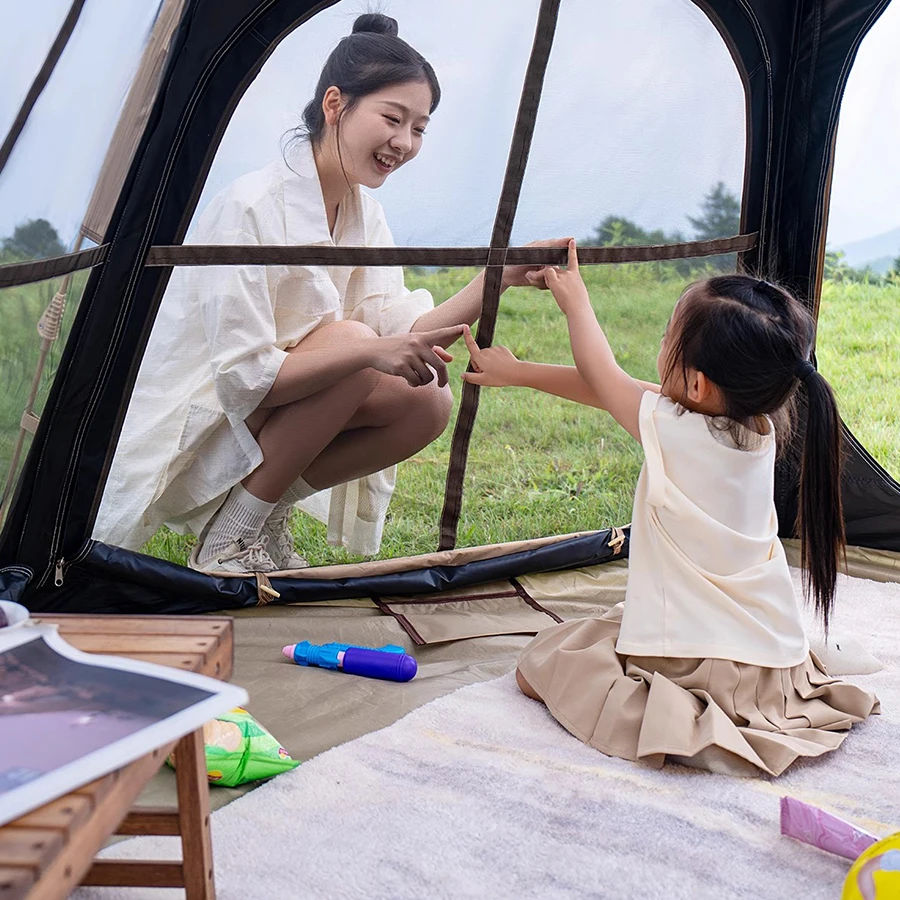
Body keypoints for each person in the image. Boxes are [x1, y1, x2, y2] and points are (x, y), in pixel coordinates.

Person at [94, 14, 562, 573]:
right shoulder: (252, 207)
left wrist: (500, 275)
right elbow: (244, 379)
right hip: (211, 419)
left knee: (427, 399)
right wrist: (366, 351)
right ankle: (226, 541)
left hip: (282, 412)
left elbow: (403, 337)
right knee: (355, 341)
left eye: (419, 128)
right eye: (392, 118)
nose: (404, 143)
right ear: (335, 105)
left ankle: (255, 517)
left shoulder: (365, 214)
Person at [462, 240, 879, 777]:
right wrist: (519, 372)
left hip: (694, 656)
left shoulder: (681, 432)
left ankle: (686, 707)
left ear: (699, 385)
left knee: (548, 663)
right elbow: (623, 392)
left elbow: (604, 374)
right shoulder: (757, 428)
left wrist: (575, 300)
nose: (660, 346)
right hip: (769, 655)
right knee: (603, 632)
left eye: (667, 339)